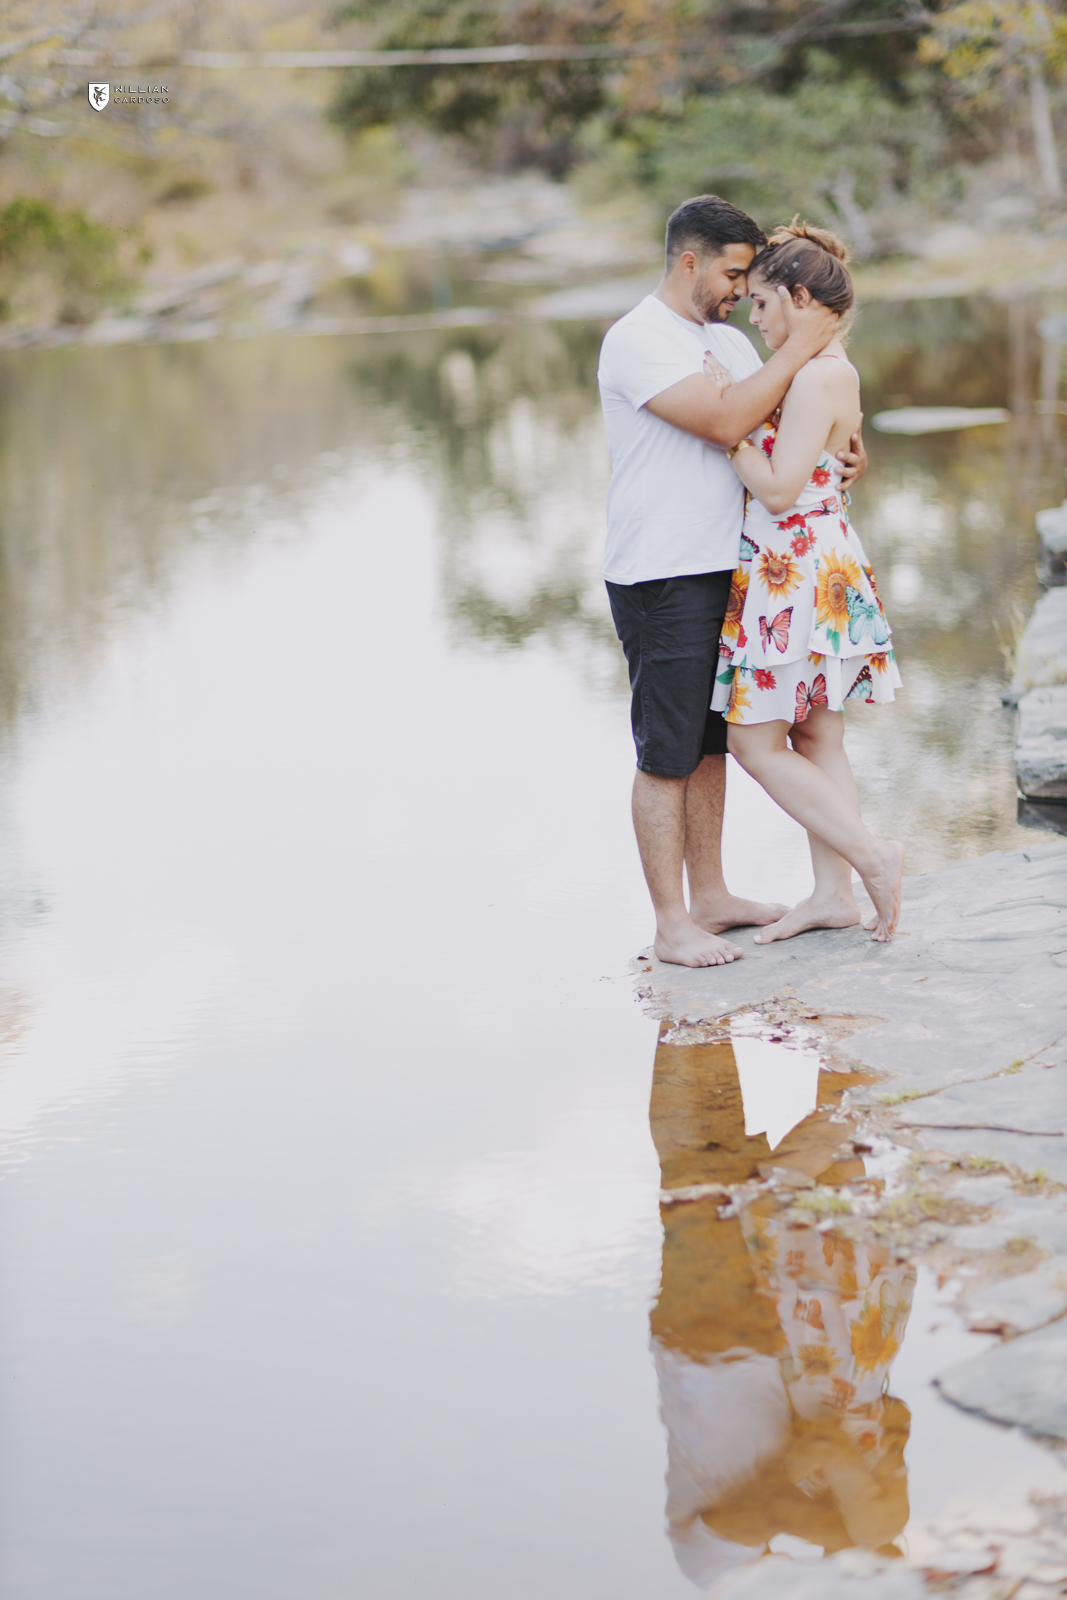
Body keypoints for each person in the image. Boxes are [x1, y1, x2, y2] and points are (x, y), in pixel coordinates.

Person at [597, 194, 867, 969]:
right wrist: (799, 346)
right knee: (663, 753)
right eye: (731, 273)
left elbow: (795, 422)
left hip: (740, 569)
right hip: (662, 570)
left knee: (710, 743)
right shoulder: (638, 340)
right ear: (690, 260)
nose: (738, 292)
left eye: (749, 279)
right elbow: (723, 424)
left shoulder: (730, 343)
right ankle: (669, 921)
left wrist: (851, 449)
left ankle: (711, 896)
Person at [710, 222, 904, 943]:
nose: (754, 318)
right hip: (814, 564)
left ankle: (868, 857)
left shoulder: (819, 375)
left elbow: (779, 489)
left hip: (793, 571)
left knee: (753, 743)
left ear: (797, 296)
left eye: (762, 304)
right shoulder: (826, 368)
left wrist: (723, 428)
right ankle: (832, 895)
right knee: (819, 736)